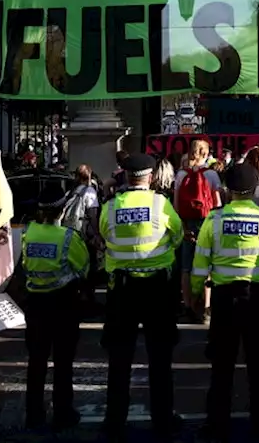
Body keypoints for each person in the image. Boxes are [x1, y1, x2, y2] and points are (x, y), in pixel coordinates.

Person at [192, 162, 259, 441]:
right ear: (253, 189)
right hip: (258, 300)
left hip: (224, 300)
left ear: (227, 190)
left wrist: (196, 297)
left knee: (221, 367)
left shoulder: (213, 220)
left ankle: (216, 424)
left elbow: (200, 264)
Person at [100, 153, 183, 440]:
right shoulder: (161, 204)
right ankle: (163, 419)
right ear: (150, 177)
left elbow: (104, 237)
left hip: (122, 290)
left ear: (125, 176)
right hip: (157, 290)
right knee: (160, 359)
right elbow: (178, 236)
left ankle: (114, 420)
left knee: (119, 358)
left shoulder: (110, 207)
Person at [20, 190, 88, 430]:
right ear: (62, 210)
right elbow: (83, 268)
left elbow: (25, 265)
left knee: (36, 361)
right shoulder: (68, 237)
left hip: (36, 303)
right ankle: (63, 412)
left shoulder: (29, 233)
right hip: (63, 304)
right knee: (63, 361)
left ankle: (34, 414)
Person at [173, 136, 221, 321]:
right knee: (207, 264)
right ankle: (206, 306)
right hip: (207, 222)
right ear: (206, 153)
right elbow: (216, 204)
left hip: (186, 223)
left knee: (186, 266)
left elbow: (176, 204)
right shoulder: (211, 175)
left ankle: (188, 304)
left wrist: (183, 225)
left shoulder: (181, 174)